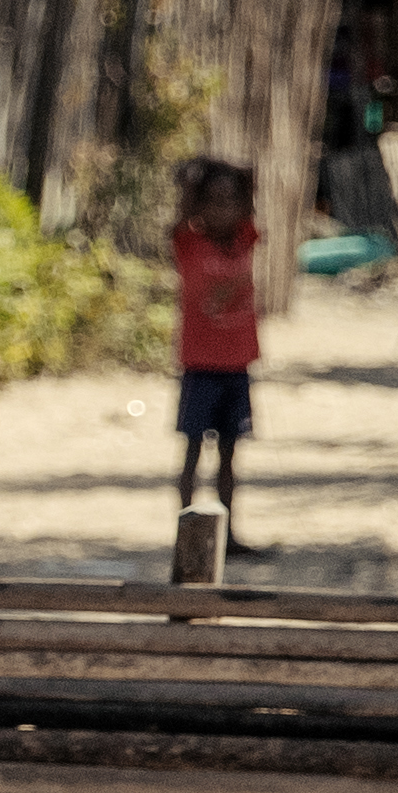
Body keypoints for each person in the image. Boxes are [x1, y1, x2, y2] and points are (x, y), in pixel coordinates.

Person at [171, 157, 263, 541]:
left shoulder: (245, 238)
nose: (222, 209)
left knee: (229, 458)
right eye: (213, 200)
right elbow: (182, 213)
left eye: (230, 201)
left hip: (236, 366)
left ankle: (229, 535)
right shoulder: (189, 242)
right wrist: (194, 180)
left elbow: (250, 190)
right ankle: (186, 534)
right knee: (192, 455)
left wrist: (234, 177)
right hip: (200, 365)